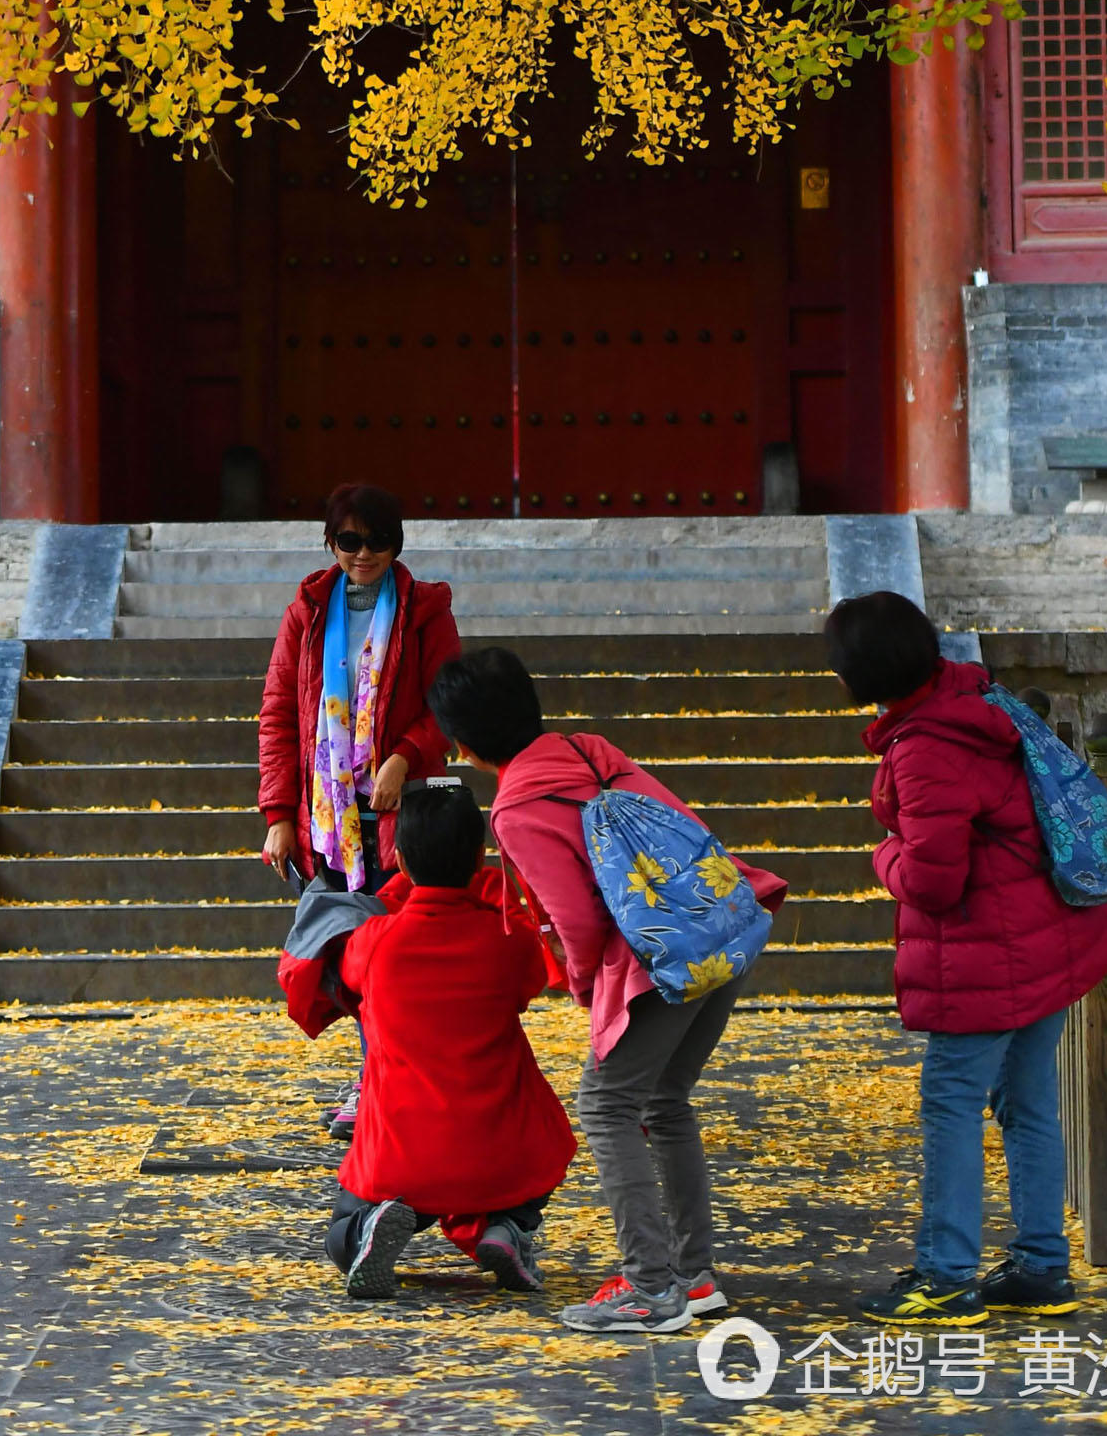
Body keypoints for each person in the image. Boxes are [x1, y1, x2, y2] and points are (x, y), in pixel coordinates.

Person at [428, 644, 785, 1339]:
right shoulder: (587, 750)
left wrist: (593, 995)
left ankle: (652, 1289)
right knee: (663, 1100)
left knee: (606, 1102)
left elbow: (580, 921)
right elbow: (676, 826)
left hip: (651, 964)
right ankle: (692, 1275)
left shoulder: (517, 807)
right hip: (716, 930)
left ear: (462, 746)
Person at [826, 588, 1107, 1321]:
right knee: (1027, 1104)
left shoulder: (927, 746)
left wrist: (883, 858)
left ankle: (946, 1274)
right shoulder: (975, 699)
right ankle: (1041, 1265)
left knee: (950, 1105)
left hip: (988, 955)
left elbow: (931, 879)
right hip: (1044, 936)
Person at [258, 483, 461, 1134]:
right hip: (332, 821)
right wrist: (279, 816)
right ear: (330, 544)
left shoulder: (425, 611)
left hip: (407, 822)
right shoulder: (308, 615)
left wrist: (403, 756)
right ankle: (378, 1078)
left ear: (397, 545)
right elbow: (279, 717)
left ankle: (382, 1083)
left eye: (377, 541)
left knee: (396, 962)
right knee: (352, 960)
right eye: (350, 540)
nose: (364, 553)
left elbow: (445, 708)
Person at [324, 777, 576, 1300]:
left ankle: (366, 1230)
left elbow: (345, 978)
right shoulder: (506, 940)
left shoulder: (376, 943)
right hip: (497, 1150)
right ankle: (507, 1227)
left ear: (403, 861)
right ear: (478, 856)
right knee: (549, 1138)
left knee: (337, 1237)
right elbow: (530, 980)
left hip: (399, 1155)